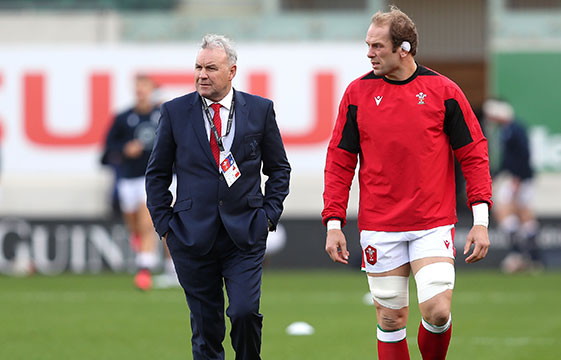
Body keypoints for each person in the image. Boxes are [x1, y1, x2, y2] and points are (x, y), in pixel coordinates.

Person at [322, 6, 492, 360]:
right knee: (390, 319)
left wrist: (481, 221)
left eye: (377, 46)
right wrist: (334, 223)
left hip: (432, 222)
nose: (369, 53)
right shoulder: (357, 94)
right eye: (367, 45)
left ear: (404, 48)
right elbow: (339, 161)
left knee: (438, 312)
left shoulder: (443, 90)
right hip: (380, 226)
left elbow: (473, 154)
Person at [145, 34, 290, 359]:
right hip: (191, 236)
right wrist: (165, 225)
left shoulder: (259, 110)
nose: (202, 75)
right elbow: (156, 174)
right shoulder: (174, 112)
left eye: (211, 68)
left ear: (231, 71)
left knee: (243, 313)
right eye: (198, 67)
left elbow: (279, 169)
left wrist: (268, 214)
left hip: (245, 233)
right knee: (206, 329)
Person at [102, 74, 177, 290]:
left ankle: (146, 268)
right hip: (130, 179)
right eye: (138, 88)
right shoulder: (123, 118)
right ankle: (152, 259)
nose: (141, 92)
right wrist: (125, 149)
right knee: (135, 226)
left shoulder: (164, 115)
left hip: (157, 178)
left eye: (145, 88)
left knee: (150, 221)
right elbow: (107, 150)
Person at [483, 98, 542, 273]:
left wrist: (517, 178)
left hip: (519, 178)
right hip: (516, 176)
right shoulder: (507, 130)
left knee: (511, 212)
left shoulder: (515, 130)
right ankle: (528, 257)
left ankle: (522, 255)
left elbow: (523, 154)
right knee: (521, 216)